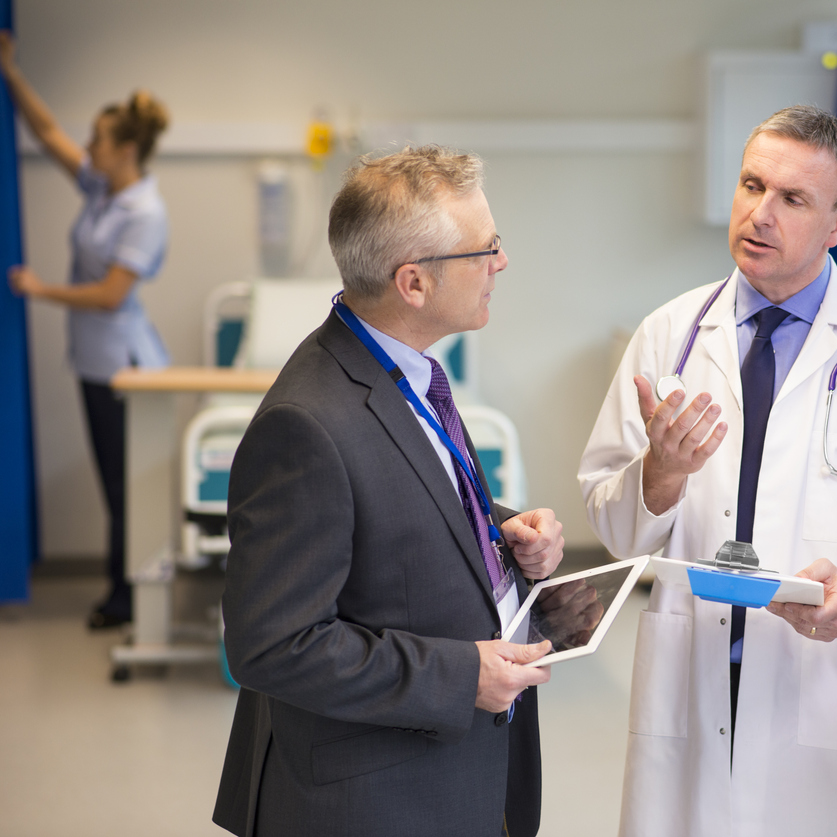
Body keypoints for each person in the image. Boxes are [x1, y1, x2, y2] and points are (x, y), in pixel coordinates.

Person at [578, 105, 837, 836]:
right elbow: (610, 516)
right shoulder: (669, 335)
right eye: (752, 185)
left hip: (825, 678)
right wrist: (660, 474)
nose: (760, 213)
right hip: (695, 668)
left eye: (792, 199)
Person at [212, 146, 566, 837]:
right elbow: (271, 644)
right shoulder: (306, 423)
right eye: (485, 249)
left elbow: (400, 493)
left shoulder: (403, 369)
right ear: (414, 283)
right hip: (369, 800)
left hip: (447, 776)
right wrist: (458, 674)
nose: (501, 262)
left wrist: (500, 529)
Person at [0, 31, 170, 629]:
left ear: (124, 148)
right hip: (95, 360)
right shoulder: (104, 188)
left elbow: (109, 294)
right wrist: (11, 73)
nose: (87, 145)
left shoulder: (144, 213)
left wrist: (38, 288)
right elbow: (47, 135)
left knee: (126, 488)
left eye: (97, 138)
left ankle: (127, 598)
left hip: (125, 364)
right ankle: (124, 593)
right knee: (115, 483)